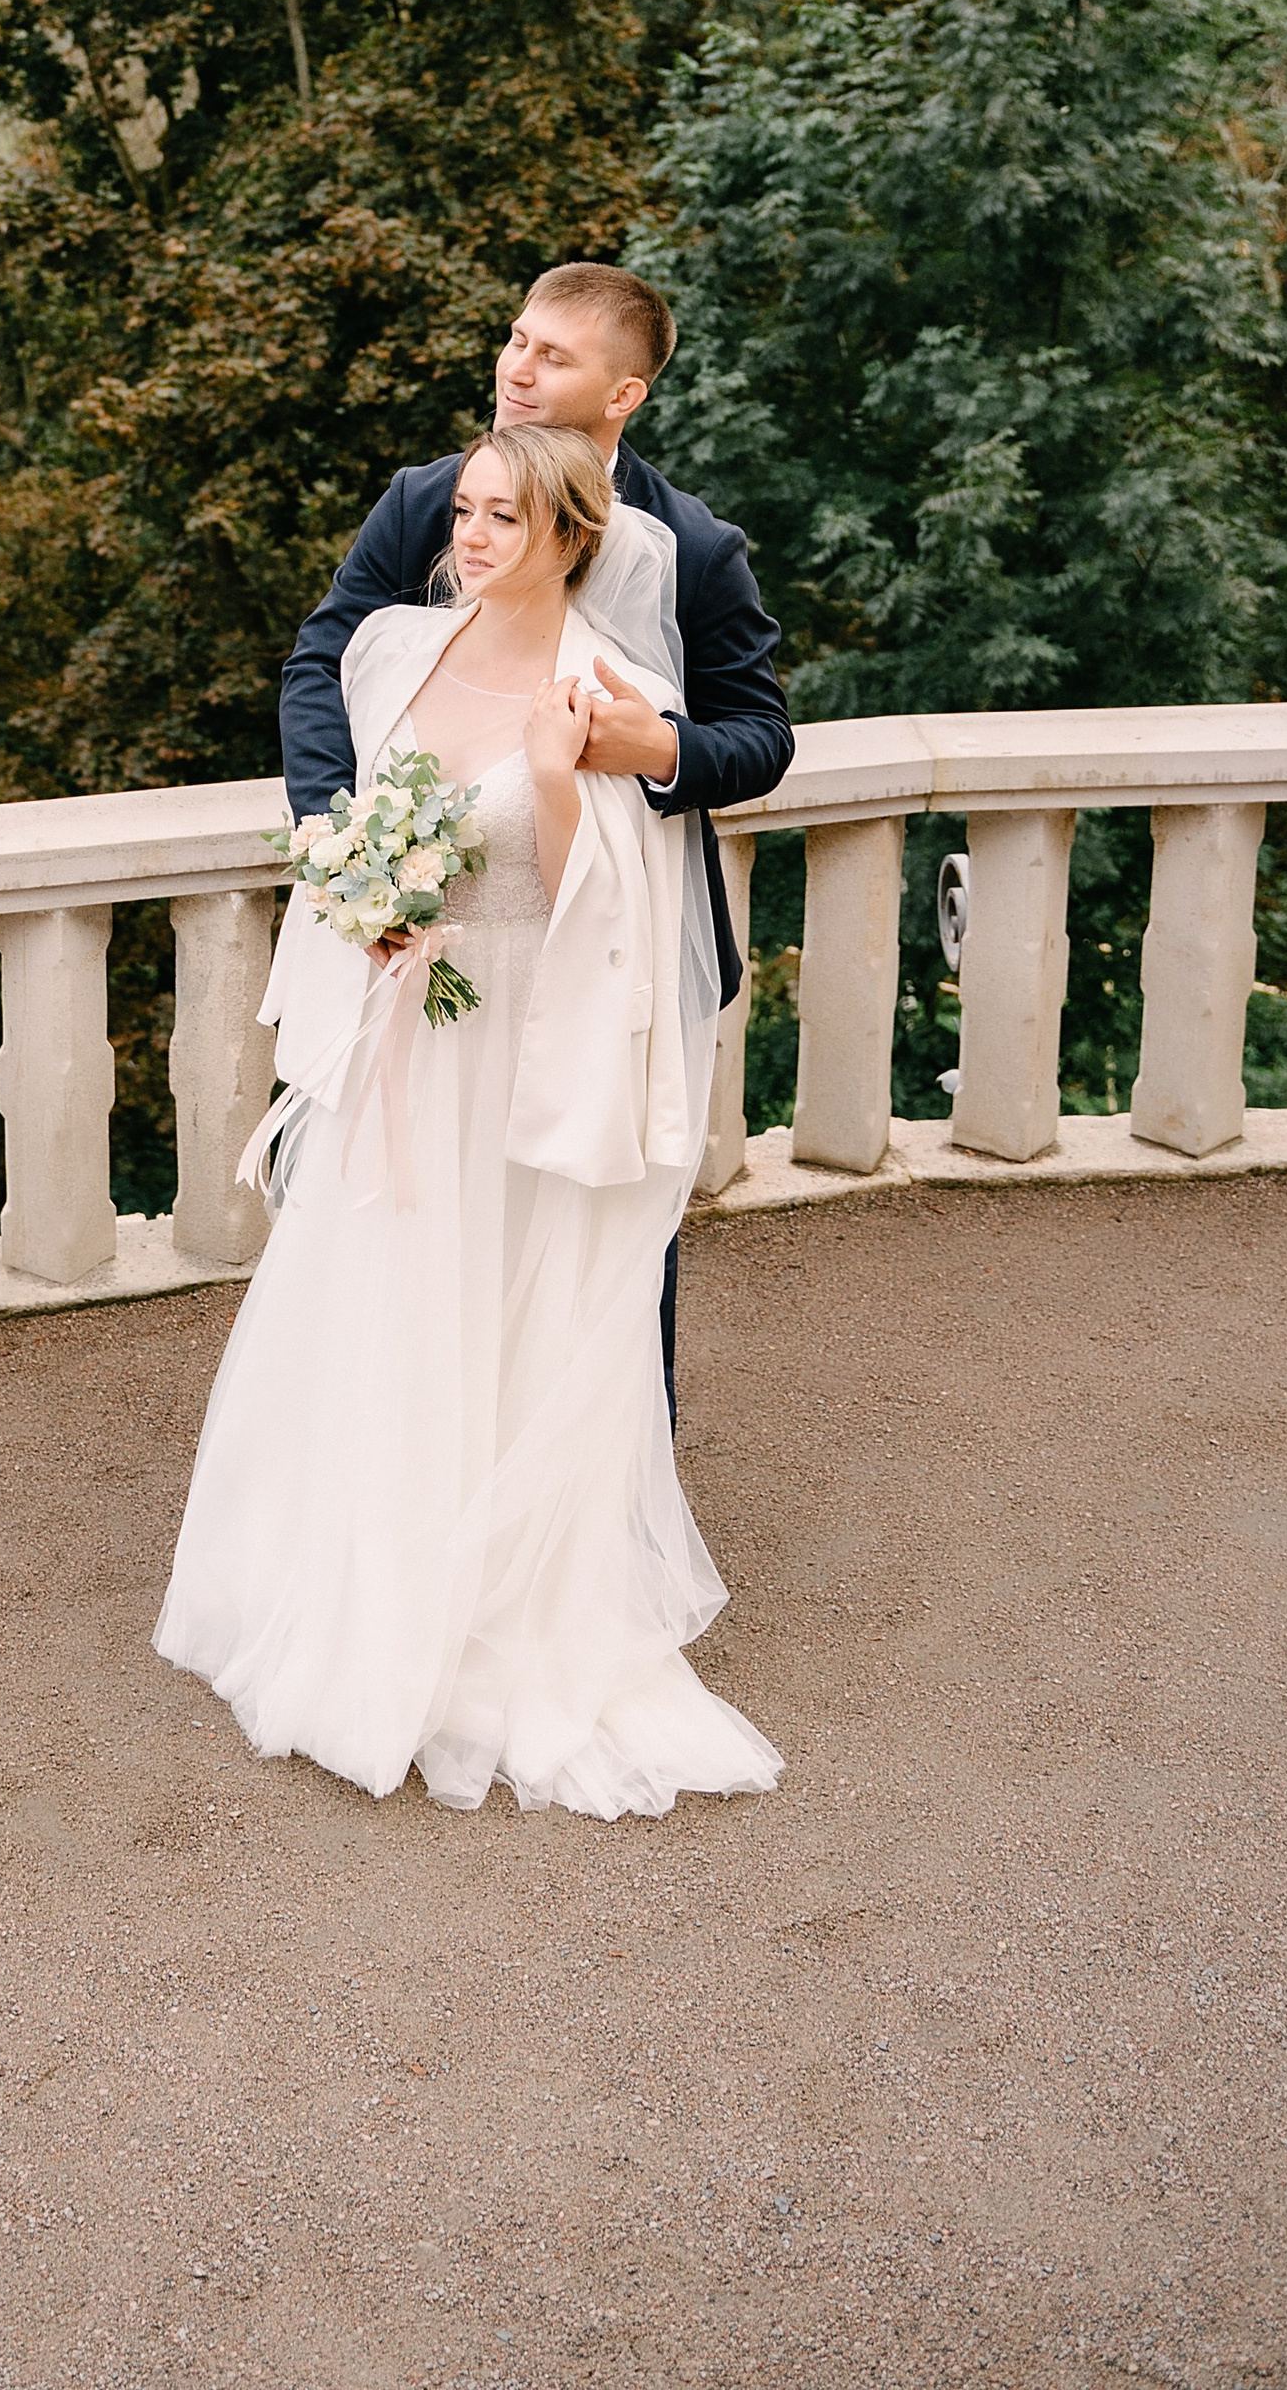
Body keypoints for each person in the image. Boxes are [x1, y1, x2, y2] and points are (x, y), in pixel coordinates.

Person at [155, 422, 783, 1818]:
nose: (473, 536)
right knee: (378, 1307)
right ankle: (363, 1584)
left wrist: (561, 781)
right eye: (470, 514)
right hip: (402, 1041)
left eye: (508, 518)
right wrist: (365, 907)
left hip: (516, 1048)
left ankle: (489, 1614)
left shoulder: (600, 689)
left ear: (573, 540)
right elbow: (349, 801)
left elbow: (602, 910)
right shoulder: (393, 652)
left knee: (505, 1320)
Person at [277, 262, 793, 1411]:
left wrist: (651, 748)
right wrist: (342, 848)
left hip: (619, 956)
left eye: (553, 355)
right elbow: (323, 662)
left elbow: (760, 739)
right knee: (415, 1220)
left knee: (603, 1229)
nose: (516, 367)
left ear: (624, 396)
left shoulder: (695, 546)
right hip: (434, 946)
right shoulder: (431, 498)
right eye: (516, 339)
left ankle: (602, 1500)